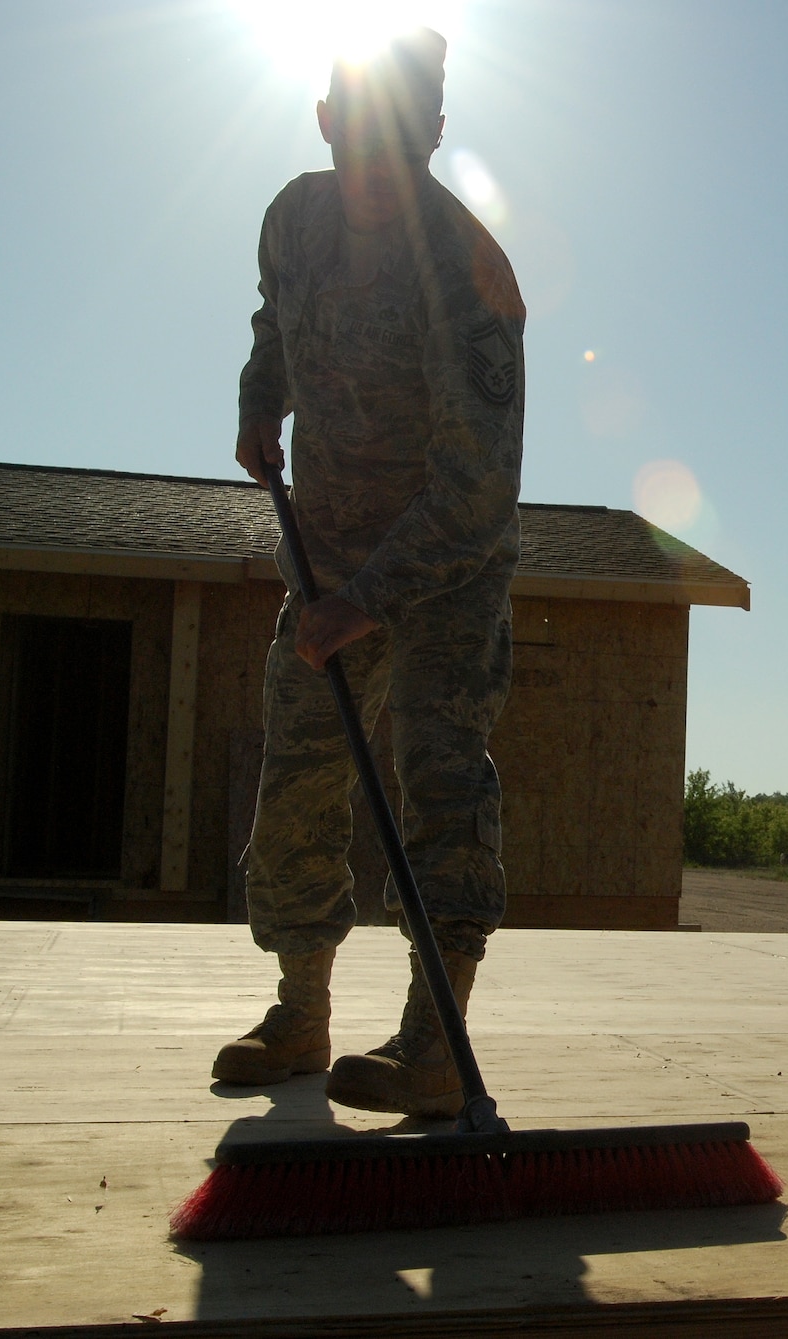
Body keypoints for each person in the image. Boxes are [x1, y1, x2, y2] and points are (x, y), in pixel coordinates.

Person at [212, 28, 525, 1116]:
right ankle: (300, 1012)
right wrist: (262, 401)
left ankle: (433, 1044)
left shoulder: (469, 275)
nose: (377, 159)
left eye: (405, 135)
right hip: (329, 553)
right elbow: (275, 321)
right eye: (360, 132)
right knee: (296, 780)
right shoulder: (292, 220)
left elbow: (475, 489)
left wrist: (365, 600)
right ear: (326, 121)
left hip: (443, 574)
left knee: (439, 783)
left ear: (435, 133)